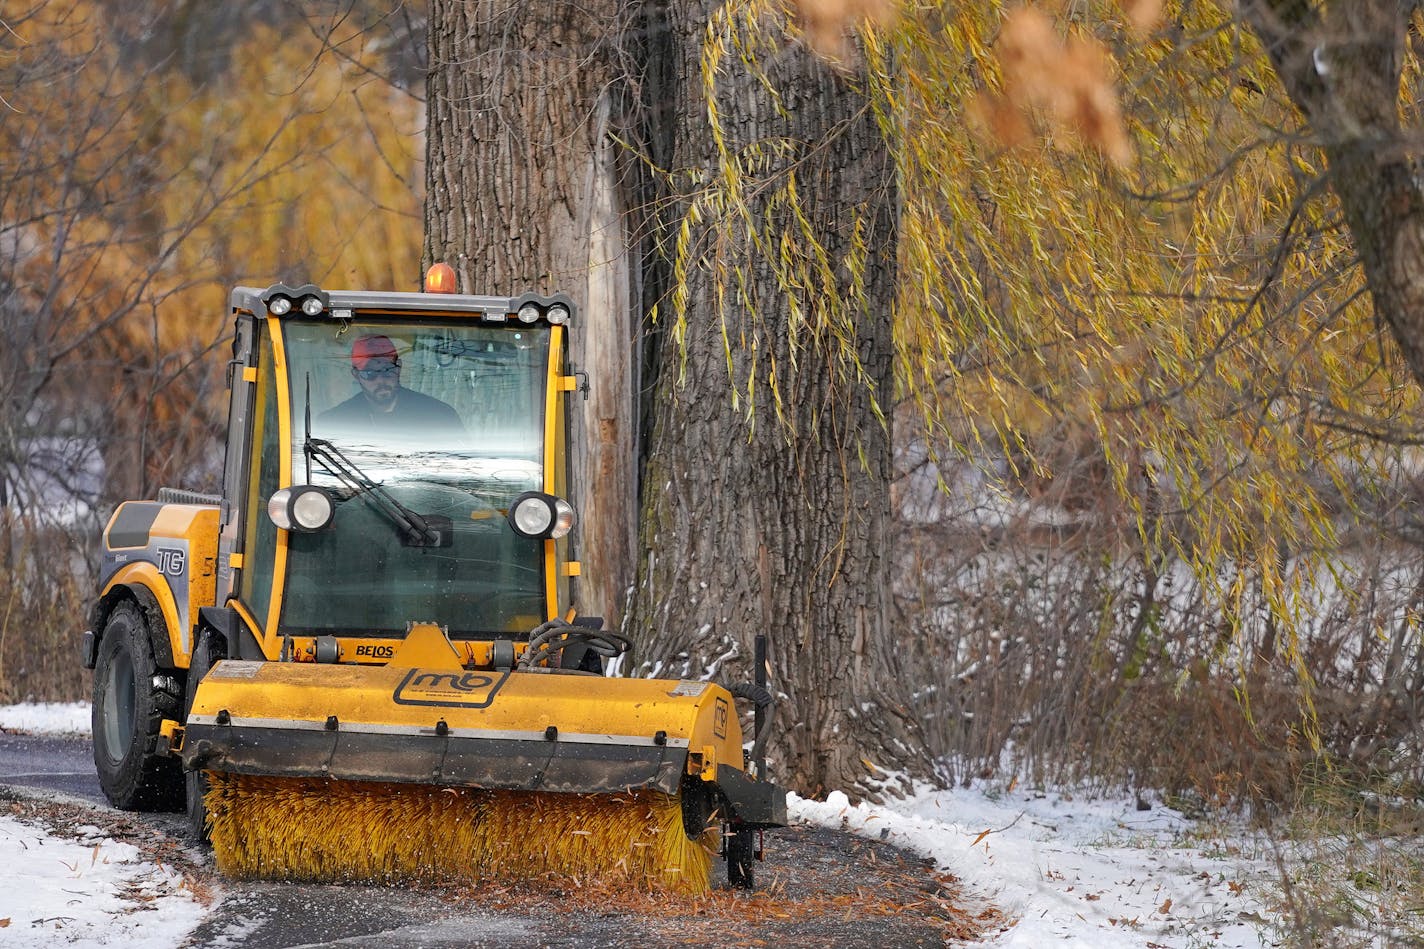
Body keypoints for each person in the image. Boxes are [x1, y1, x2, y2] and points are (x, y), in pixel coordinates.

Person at [317, 335, 465, 440]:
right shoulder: (335, 422)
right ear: (356, 375)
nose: (380, 379)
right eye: (370, 373)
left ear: (399, 367)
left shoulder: (439, 416)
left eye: (387, 369)